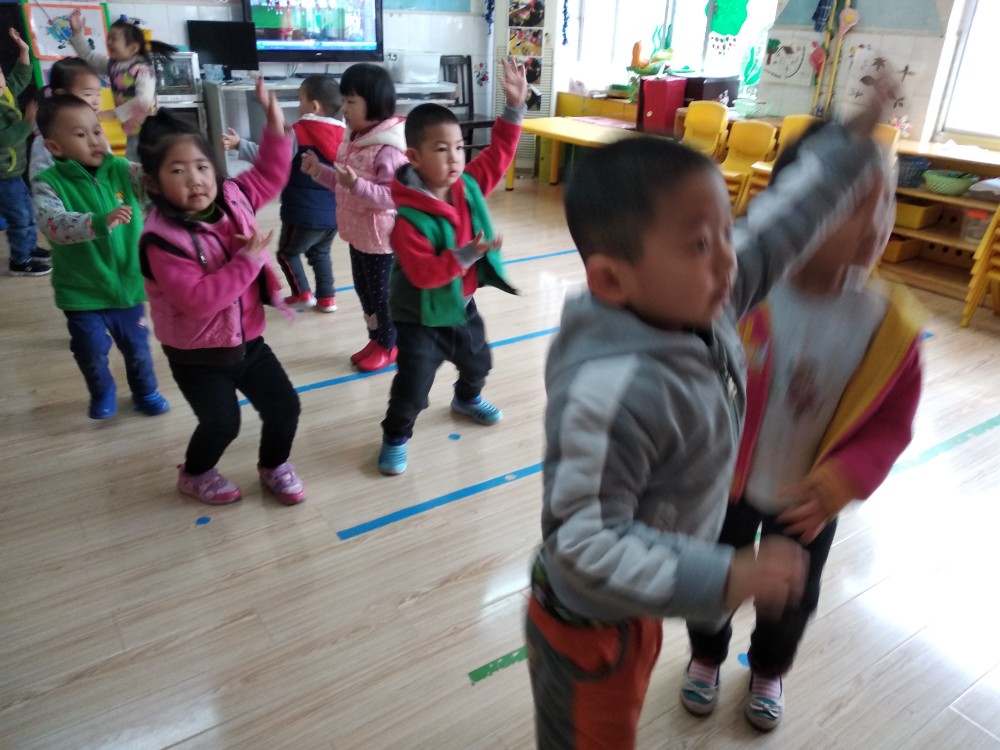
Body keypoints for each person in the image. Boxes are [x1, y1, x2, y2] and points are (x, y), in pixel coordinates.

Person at [525, 94, 892, 748]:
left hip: (640, 594)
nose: (728, 257)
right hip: (589, 625)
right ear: (611, 281)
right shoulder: (606, 389)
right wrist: (728, 575)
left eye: (726, 228)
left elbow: (777, 228)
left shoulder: (698, 296)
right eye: (700, 243)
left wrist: (846, 146)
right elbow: (581, 546)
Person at [680, 133, 923, 732]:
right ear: (799, 205)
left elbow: (890, 424)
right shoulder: (739, 295)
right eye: (853, 204)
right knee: (712, 580)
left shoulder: (889, 326)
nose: (876, 223)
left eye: (887, 201)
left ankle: (769, 667)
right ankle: (706, 655)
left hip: (810, 499)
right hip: (724, 486)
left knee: (791, 597)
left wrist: (842, 482)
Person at [137, 78, 306, 507]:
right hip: (197, 355)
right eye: (177, 171)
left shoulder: (233, 196)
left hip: (248, 339)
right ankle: (195, 473)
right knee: (222, 424)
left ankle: (274, 465)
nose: (195, 179)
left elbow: (270, 174)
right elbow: (197, 301)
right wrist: (247, 261)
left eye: (202, 166)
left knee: (285, 406)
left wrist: (275, 128)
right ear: (153, 183)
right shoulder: (161, 240)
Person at [374, 59, 527, 476]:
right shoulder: (408, 221)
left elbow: (498, 155)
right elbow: (423, 275)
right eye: (441, 149)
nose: (455, 157)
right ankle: (396, 435)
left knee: (480, 362)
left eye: (458, 147)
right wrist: (467, 255)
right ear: (414, 157)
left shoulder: (467, 186)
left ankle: (466, 397)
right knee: (413, 387)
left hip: (461, 305)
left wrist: (514, 108)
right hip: (420, 316)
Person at [32, 94, 170, 420]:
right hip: (82, 291)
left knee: (138, 348)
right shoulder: (48, 183)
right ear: (54, 147)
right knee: (91, 351)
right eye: (81, 135)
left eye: (97, 130)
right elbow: (52, 225)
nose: (95, 140)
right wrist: (97, 222)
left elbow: (156, 184)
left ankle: (145, 391)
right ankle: (102, 391)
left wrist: (167, 159)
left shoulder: (122, 170)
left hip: (128, 286)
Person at [301, 62, 407, 372]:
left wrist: (356, 184)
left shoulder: (388, 149)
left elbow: (393, 197)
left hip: (380, 241)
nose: (343, 109)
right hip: (358, 234)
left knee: (382, 297)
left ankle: (389, 345)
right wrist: (318, 171)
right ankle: (376, 339)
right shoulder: (355, 138)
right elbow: (343, 183)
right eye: (343, 100)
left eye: (350, 102)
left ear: (374, 103)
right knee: (365, 293)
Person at [223, 75, 345, 313]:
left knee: (287, 253)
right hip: (333, 215)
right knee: (320, 253)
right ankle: (327, 299)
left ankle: (302, 293)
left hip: (302, 214)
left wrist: (240, 144)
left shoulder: (300, 131)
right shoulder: (344, 136)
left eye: (301, 100)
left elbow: (272, 156)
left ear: (314, 106)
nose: (299, 106)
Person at [67, 10, 176, 160]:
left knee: (146, 163)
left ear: (133, 48)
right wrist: (77, 32)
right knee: (134, 164)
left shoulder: (142, 70)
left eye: (114, 39)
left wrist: (113, 113)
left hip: (149, 129)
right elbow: (89, 57)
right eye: (108, 38)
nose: (109, 42)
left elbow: (143, 100)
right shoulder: (113, 65)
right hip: (131, 128)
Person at [0, 28, 49, 276]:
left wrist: (24, 50)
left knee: (26, 211)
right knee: (19, 216)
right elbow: (5, 138)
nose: (0, 81)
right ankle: (20, 260)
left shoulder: (5, 91)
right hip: (3, 176)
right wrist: (28, 122)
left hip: (13, 171)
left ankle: (29, 247)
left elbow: (20, 76)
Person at [29, 57, 104, 182]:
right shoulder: (48, 136)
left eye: (98, 94)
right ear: (63, 95)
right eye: (88, 94)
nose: (96, 101)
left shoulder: (95, 127)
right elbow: (41, 179)